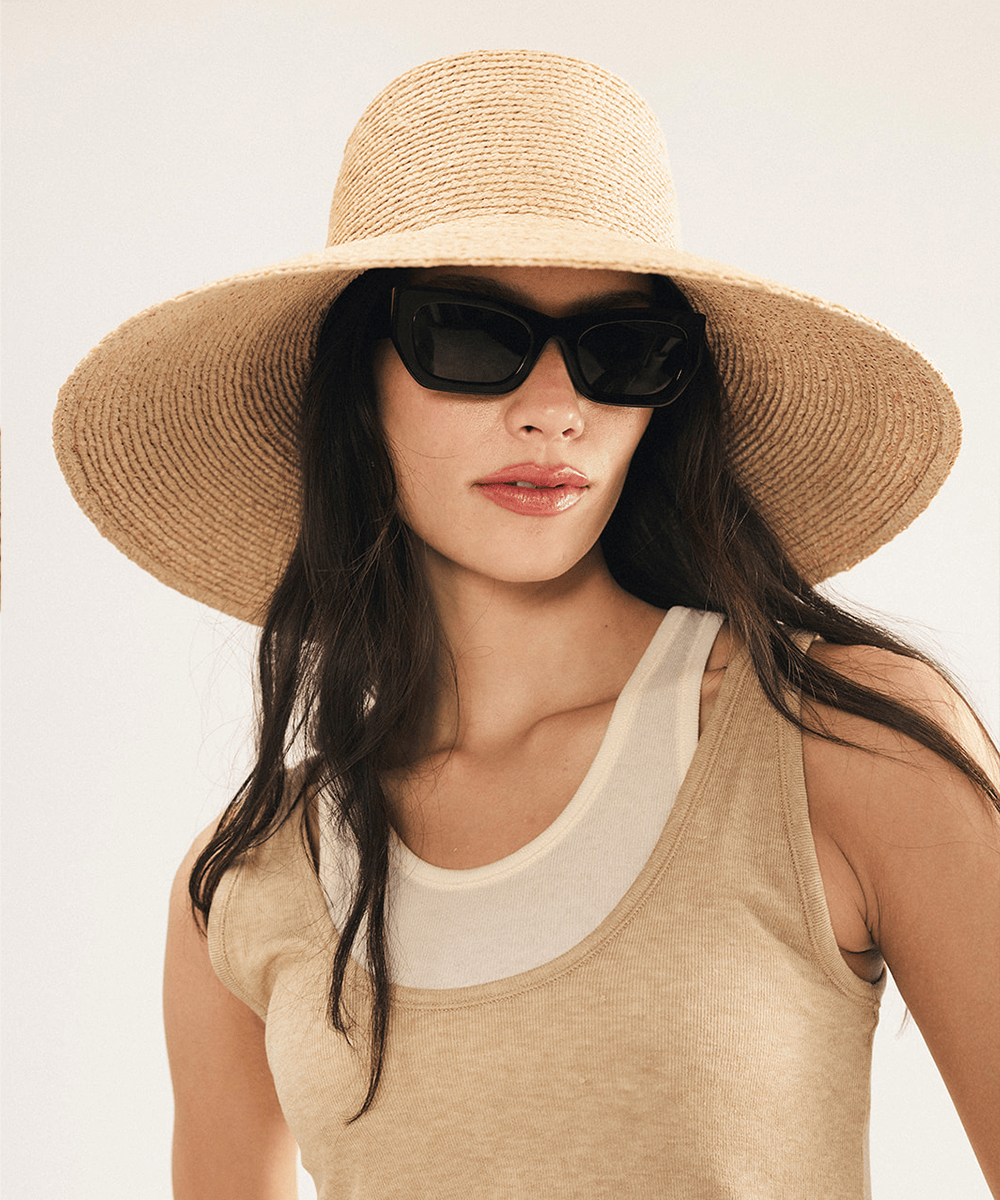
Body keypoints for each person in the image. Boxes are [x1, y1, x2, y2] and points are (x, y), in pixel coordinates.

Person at [54, 49, 998, 1200]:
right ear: (357, 384)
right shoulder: (247, 878)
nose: (555, 410)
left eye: (620, 354)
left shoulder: (839, 742)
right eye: (470, 337)